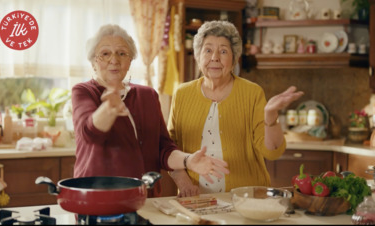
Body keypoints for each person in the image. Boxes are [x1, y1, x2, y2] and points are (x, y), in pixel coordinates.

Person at [71, 24, 229, 197]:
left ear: (130, 61)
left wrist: (188, 161)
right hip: (99, 199)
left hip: (144, 198)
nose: (114, 60)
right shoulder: (83, 91)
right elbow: (89, 133)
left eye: (122, 53)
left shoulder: (148, 95)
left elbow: (164, 149)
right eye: (105, 53)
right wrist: (109, 108)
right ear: (93, 62)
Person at [167, 20, 304, 197]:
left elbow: (272, 151)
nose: (215, 57)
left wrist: (270, 116)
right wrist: (184, 183)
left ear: (234, 58)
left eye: (223, 51)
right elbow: (170, 149)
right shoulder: (182, 94)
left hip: (247, 199)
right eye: (208, 50)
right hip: (197, 199)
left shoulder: (252, 93)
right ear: (198, 55)